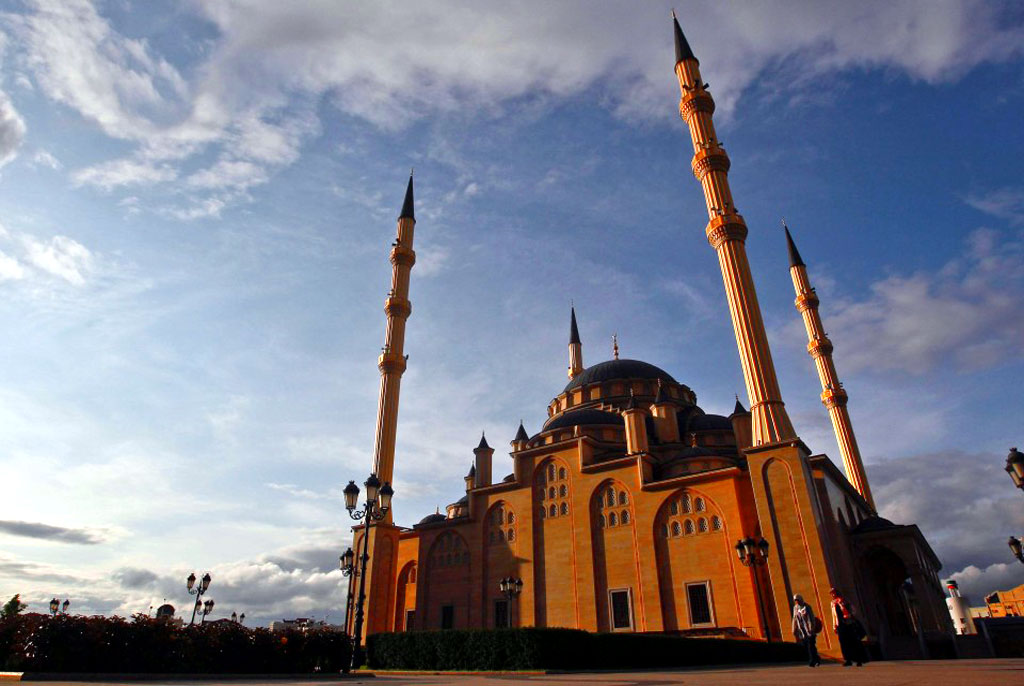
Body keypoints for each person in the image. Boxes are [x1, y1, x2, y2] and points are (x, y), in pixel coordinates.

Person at [830, 588, 867, 667]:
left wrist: (849, 615)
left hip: (848, 623)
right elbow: (834, 615)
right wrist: (834, 626)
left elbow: (853, 609)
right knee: (843, 643)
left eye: (834, 593)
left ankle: (859, 659)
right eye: (831, 593)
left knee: (853, 641)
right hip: (840, 625)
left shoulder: (843, 600)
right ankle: (848, 659)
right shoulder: (832, 603)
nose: (833, 594)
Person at [792, 594, 821, 667]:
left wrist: (812, 628)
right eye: (795, 601)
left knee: (811, 645)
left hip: (809, 630)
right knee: (806, 645)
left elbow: (811, 618)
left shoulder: (807, 607)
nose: (797, 602)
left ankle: (812, 661)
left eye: (797, 600)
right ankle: (817, 658)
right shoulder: (795, 608)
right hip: (802, 630)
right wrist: (794, 629)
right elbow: (794, 619)